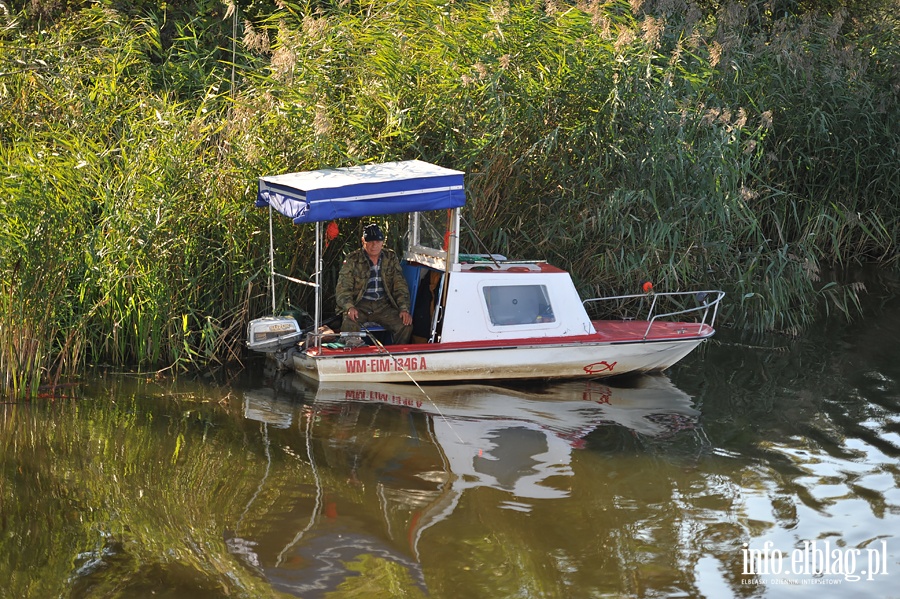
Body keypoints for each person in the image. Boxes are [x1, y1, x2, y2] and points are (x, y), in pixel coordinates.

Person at [335, 223, 413, 345]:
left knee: (405, 325)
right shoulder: (352, 259)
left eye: (377, 241)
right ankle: (354, 355)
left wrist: (404, 309)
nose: (374, 245)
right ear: (363, 241)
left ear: (383, 242)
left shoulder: (390, 257)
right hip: (360, 305)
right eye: (370, 241)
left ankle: (398, 356)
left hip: (383, 306)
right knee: (349, 325)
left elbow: (400, 285)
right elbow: (343, 288)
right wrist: (349, 307)